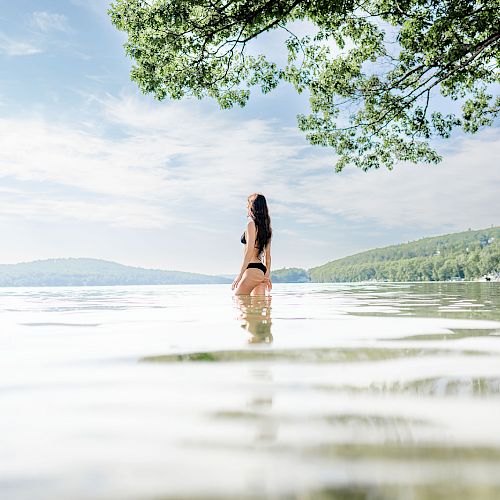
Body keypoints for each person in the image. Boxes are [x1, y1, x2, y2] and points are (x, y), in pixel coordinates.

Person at [232, 193, 272, 295]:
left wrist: (240, 275)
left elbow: (249, 251)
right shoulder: (267, 229)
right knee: (257, 307)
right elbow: (268, 257)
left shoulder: (251, 224)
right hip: (261, 271)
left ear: (253, 206)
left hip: (252, 269)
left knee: (238, 300)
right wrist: (266, 276)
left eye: (248, 203)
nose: (247, 206)